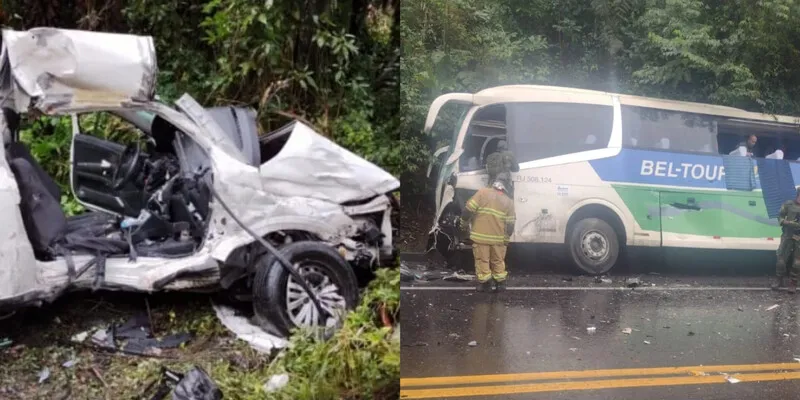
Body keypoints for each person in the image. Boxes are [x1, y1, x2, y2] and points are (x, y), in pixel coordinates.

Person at [463, 177, 515, 292]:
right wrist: (506, 238)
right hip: (498, 239)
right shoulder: (509, 201)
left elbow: (468, 210)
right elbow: (510, 224)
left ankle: (485, 284)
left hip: (481, 237)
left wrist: (463, 224)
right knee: (498, 260)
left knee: (482, 260)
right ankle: (500, 283)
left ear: (493, 184)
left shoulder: (482, 193)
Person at [774, 187, 800, 293]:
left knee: (797, 263)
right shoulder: (788, 205)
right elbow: (779, 217)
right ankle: (778, 280)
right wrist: (787, 223)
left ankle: (793, 283)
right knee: (781, 261)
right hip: (787, 236)